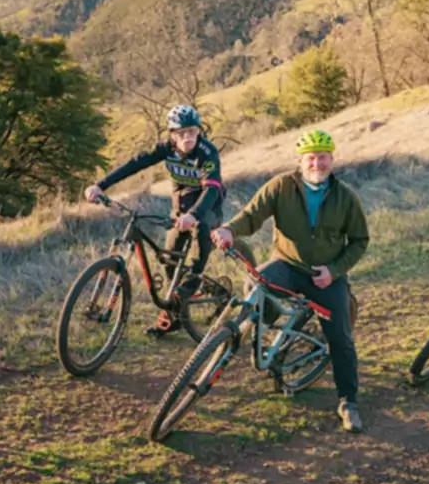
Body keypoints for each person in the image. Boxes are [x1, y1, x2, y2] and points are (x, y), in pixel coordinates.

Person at [212, 128, 369, 433]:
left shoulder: (345, 198)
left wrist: (334, 271)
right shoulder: (281, 186)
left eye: (323, 158)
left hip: (325, 275)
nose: (317, 164)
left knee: (341, 339)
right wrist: (230, 229)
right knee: (254, 287)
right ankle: (267, 333)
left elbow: (360, 240)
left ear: (332, 160)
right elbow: (252, 215)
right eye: (311, 158)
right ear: (301, 161)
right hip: (287, 264)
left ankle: (348, 402)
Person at [85, 104, 225, 336]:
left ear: (198, 131)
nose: (187, 137)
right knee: (169, 257)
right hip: (180, 207)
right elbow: (135, 163)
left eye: (192, 131)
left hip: (207, 206)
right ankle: (176, 314)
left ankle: (193, 281)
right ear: (172, 135)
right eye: (181, 133)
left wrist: (194, 215)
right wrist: (100, 185)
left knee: (200, 231)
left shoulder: (207, 152)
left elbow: (211, 188)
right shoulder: (165, 148)